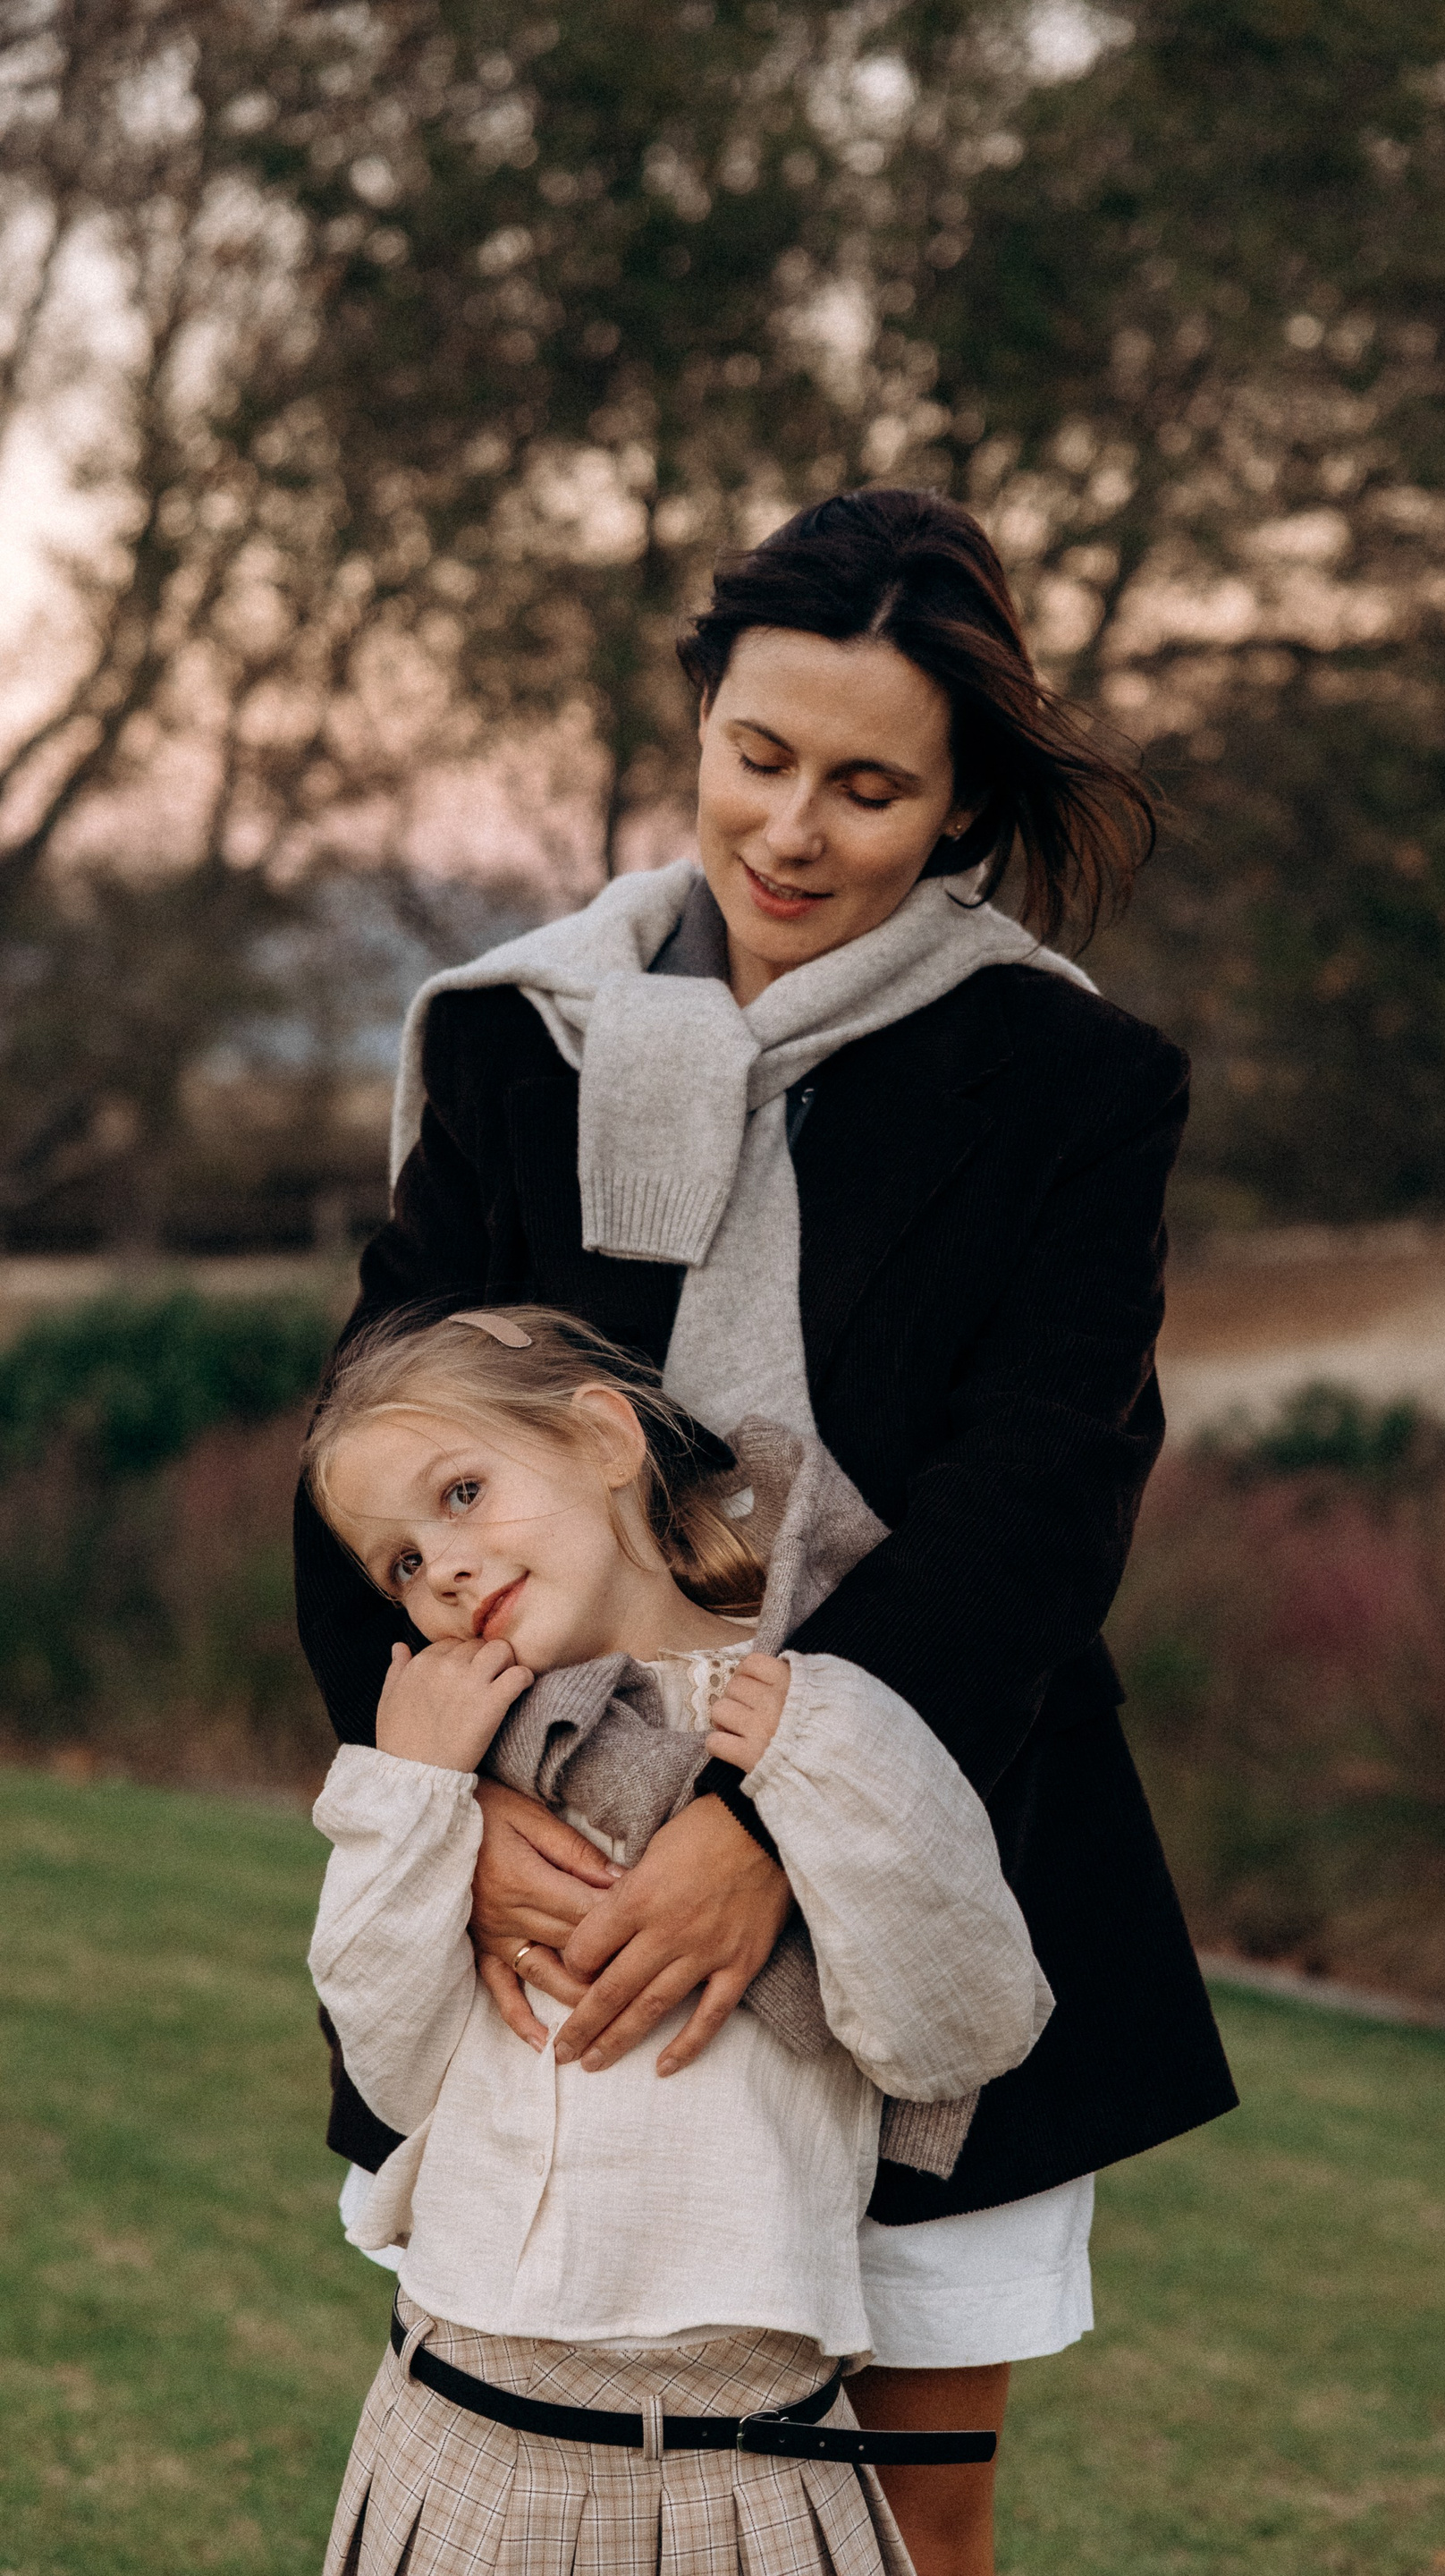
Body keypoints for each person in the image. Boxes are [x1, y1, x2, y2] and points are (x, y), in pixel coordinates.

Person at [297, 486, 1238, 2576]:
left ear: (962, 802)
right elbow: (376, 1449)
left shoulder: (1073, 1082)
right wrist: (457, 1818)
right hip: (552, 1901)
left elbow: (1041, 1495)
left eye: (870, 788)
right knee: (533, 2509)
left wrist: (780, 1826)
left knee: (909, 2541)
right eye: (760, 755)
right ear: (701, 719)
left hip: (929, 1851)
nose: (794, 831)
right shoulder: (517, 1042)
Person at [304, 1303, 1047, 2575]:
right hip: (455, 2422)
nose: (446, 1571)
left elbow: (953, 2032)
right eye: (404, 1566)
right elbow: (389, 2061)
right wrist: (410, 1792)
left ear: (603, 1437)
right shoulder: (455, 1772)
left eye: (464, 1494)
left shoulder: (824, 1715)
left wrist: (817, 1767)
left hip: (740, 2458)